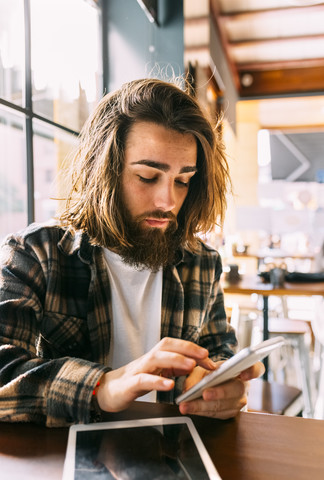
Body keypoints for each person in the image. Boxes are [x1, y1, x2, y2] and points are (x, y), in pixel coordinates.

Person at [0, 78, 264, 427]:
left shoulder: (202, 262)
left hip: (171, 455)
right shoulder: (35, 254)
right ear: (104, 171)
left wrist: (221, 388)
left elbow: (218, 350)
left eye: (183, 180)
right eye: (146, 176)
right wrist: (102, 387)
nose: (167, 201)